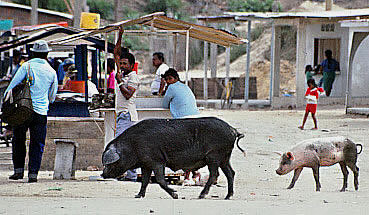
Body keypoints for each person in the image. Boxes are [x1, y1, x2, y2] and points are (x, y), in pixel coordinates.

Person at [4, 40, 58, 183]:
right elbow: (52, 97)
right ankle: (33, 174)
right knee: (37, 143)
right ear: (46, 54)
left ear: (33, 53)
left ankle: (18, 171)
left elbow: (11, 87)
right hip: (40, 113)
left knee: (18, 140)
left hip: (22, 110)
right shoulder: (52, 72)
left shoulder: (26, 67)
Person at [162, 68, 200, 185]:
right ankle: (194, 173)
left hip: (183, 121)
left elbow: (164, 105)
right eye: (167, 79)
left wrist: (165, 90)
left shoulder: (172, 88)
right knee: (190, 148)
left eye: (170, 79)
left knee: (184, 149)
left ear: (176, 78)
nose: (168, 81)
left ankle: (188, 175)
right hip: (195, 118)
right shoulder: (185, 86)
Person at [114, 27, 140, 181]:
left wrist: (119, 83)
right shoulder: (122, 74)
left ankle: (125, 173)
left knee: (120, 145)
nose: (122, 65)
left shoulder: (133, 77)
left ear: (131, 65)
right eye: (121, 64)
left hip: (127, 116)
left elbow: (128, 94)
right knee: (126, 146)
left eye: (125, 64)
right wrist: (120, 35)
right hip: (121, 115)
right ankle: (130, 174)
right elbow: (116, 53)